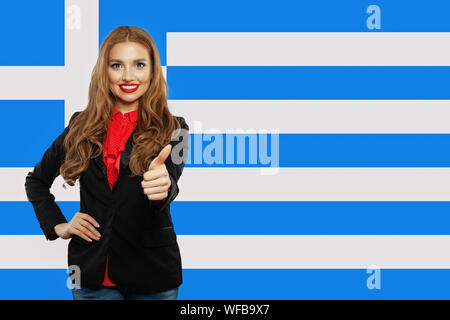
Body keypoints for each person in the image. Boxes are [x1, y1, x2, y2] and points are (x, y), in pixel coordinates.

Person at [24, 26, 189, 300]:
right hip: (91, 274)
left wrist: (163, 186)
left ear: (152, 71)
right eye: (117, 65)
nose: (128, 76)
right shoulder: (80, 124)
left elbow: (170, 180)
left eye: (139, 65)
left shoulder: (176, 129)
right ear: (105, 71)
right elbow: (36, 181)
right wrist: (59, 225)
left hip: (154, 274)